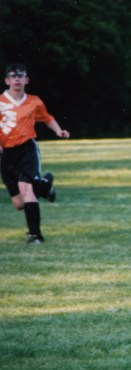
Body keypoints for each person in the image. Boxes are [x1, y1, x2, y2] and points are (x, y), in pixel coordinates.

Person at [0, 63, 69, 244]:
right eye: (13, 76)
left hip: (27, 150)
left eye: (20, 75)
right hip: (6, 154)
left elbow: (47, 118)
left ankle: (35, 235)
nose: (17, 79)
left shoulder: (34, 101)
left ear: (26, 80)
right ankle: (44, 186)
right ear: (7, 80)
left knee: (26, 189)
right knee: (19, 204)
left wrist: (58, 131)